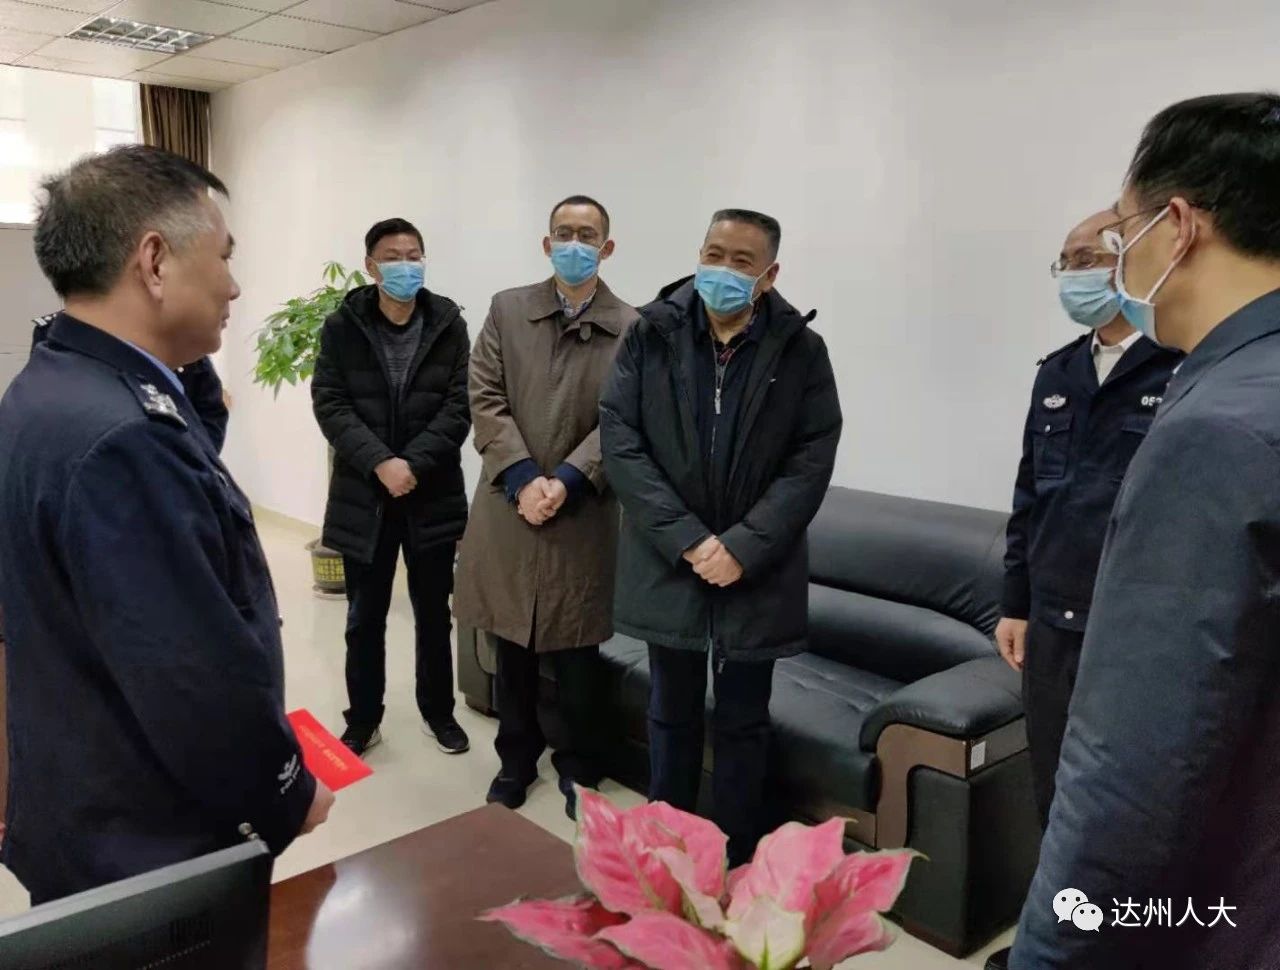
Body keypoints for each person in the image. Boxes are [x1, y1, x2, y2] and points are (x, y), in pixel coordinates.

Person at [0, 145, 332, 904]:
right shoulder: (124, 439)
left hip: (83, 795)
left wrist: (180, 349)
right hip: (148, 840)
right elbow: (191, 678)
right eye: (223, 256)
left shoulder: (53, 383)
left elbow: (193, 440)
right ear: (154, 262)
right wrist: (285, 791)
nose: (234, 285)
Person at [1010, 93, 1280, 969]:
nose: (1114, 259)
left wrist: (1051, 947)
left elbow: (1136, 768)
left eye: (1123, 232)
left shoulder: (1217, 424)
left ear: (1180, 226)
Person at [600, 209, 842, 865]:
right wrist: (687, 539)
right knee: (670, 712)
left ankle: (736, 854)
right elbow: (621, 439)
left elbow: (811, 457)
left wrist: (742, 545)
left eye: (742, 261)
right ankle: (670, 847)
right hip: (668, 562)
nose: (723, 270)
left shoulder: (800, 350)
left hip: (757, 571)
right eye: (714, 254)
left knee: (743, 720)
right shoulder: (651, 333)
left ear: (770, 275)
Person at [983, 212, 1181, 970]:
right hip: (1053, 622)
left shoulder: (1181, 364)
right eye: (1066, 260)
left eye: (1092, 256)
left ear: (1133, 259)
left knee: (1124, 805)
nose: (1077, 273)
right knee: (1054, 793)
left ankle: (1115, 948)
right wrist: (1015, 602)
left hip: (1135, 626)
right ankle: (1055, 939)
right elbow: (1030, 496)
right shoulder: (1059, 372)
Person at [453, 195, 638, 820]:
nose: (574, 244)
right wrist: (524, 478)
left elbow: (625, 418)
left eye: (587, 235)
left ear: (607, 248)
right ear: (546, 243)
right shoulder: (508, 309)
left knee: (578, 651)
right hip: (511, 504)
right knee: (511, 645)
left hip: (581, 511)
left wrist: (570, 480)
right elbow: (484, 394)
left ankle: (579, 768)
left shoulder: (631, 327)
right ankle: (515, 760)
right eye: (564, 232)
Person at [312, 218, 472, 757]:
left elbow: (458, 407)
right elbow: (330, 403)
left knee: (434, 614)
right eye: (393, 256)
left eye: (414, 255)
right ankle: (363, 719)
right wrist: (381, 462)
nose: (406, 265)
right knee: (363, 618)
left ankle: (439, 712)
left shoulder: (448, 323)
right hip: (364, 496)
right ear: (371, 266)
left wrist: (412, 464)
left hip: (431, 492)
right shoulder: (342, 326)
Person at [33, 313, 231, 452]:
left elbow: (211, 411)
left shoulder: (171, 332)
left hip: (168, 463)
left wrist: (192, 462)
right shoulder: (53, 330)